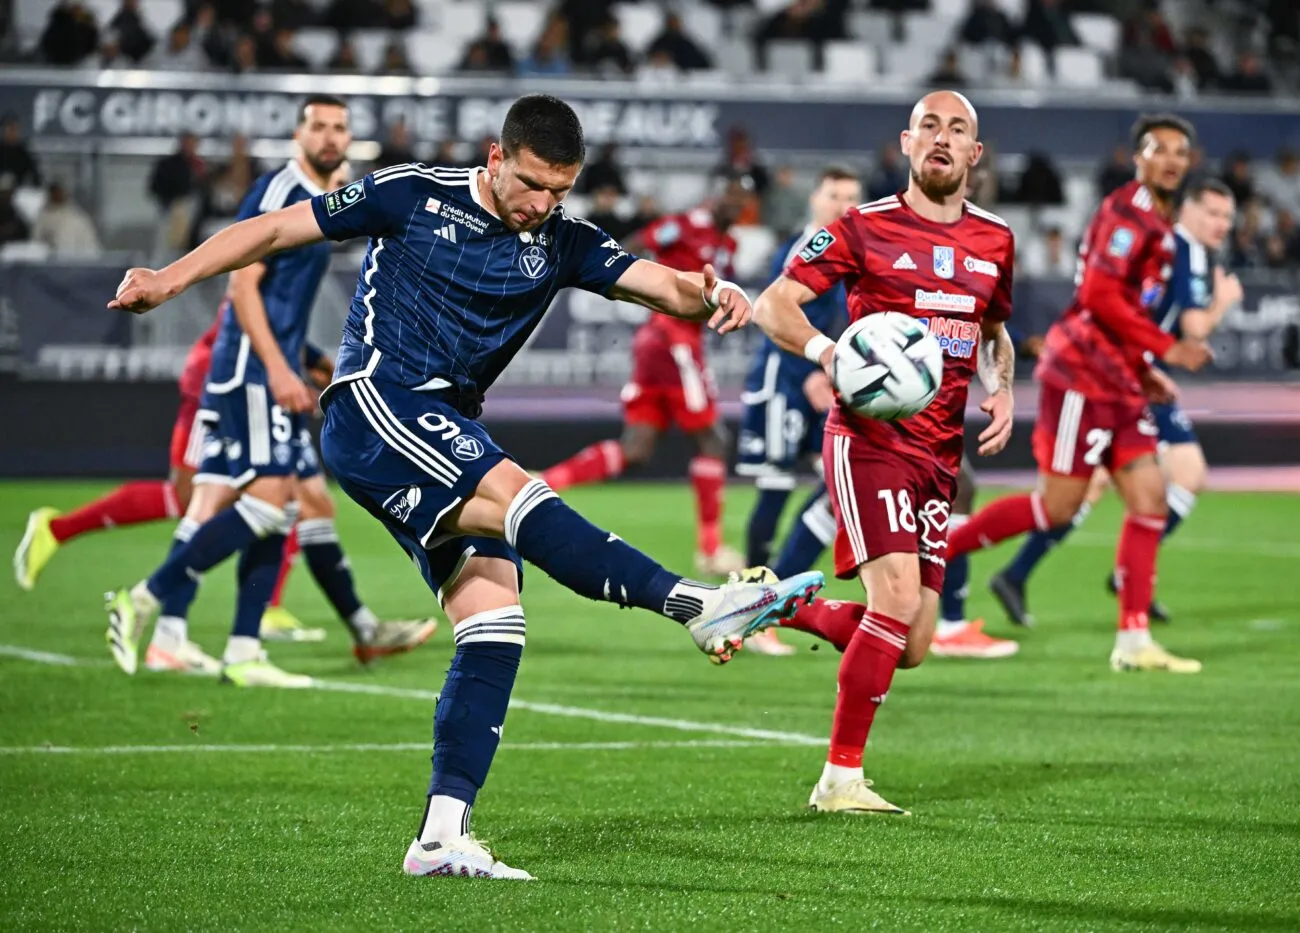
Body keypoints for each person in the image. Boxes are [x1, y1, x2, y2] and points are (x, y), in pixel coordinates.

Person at [103, 93, 825, 879]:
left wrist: (711, 292)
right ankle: (697, 604)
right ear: (495, 158)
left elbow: (658, 283)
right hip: (379, 401)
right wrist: (170, 278)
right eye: (530, 184)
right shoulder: (412, 191)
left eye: (560, 190)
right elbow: (277, 229)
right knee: (518, 493)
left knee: (494, 617)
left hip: (444, 426)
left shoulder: (562, 240)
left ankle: (440, 834)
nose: (542, 204)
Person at [101, 95, 436, 685]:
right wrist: (280, 369)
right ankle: (146, 598)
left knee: (274, 508)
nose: (331, 138)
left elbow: (281, 301)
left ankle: (241, 650)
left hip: (268, 365)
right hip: (251, 371)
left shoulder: (322, 201)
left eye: (340, 129)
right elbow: (243, 290)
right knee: (265, 501)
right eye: (320, 127)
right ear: (297, 135)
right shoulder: (282, 192)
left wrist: (307, 359)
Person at [751, 90, 1019, 815]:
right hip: (868, 439)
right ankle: (840, 779)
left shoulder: (996, 240)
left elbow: (994, 329)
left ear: (974, 154)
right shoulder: (861, 227)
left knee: (912, 640)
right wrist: (829, 352)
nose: (942, 137)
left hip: (939, 455)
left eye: (957, 128)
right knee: (895, 601)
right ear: (906, 143)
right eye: (928, 125)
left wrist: (1004, 389)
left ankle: (775, 601)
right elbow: (775, 303)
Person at [939, 113, 1213, 673]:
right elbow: (1100, 294)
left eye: (1180, 152)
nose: (1170, 160)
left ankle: (1134, 643)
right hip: (1081, 378)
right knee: (1056, 506)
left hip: (1119, 381)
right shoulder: (1126, 213)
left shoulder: (1159, 222)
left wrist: (1143, 368)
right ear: (1137, 158)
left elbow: (1122, 309)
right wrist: (1166, 346)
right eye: (1158, 149)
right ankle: (933, 553)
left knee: (1150, 500)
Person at [988, 178, 1241, 627]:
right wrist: (1222, 305)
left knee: (1099, 485)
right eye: (1213, 213)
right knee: (1180, 474)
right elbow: (1193, 327)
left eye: (1227, 216)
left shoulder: (1177, 247)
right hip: (1117, 377)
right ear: (1188, 210)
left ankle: (1020, 573)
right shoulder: (1181, 248)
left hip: (1129, 373)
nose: (1221, 223)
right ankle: (1122, 579)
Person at [541, 182, 749, 576]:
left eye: (743, 202)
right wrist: (638, 288)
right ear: (716, 195)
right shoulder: (683, 225)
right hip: (672, 340)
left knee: (637, 448)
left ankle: (543, 483)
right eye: (731, 198)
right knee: (714, 439)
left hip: (663, 344)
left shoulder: (729, 244)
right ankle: (710, 550)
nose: (736, 207)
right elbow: (631, 244)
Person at [737, 166, 863, 656]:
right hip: (783, 383)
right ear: (816, 198)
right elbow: (776, 315)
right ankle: (750, 610)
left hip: (819, 381)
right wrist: (809, 372)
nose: (843, 205)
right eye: (834, 195)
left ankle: (780, 593)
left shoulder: (848, 251)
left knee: (835, 480)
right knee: (774, 487)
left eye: (852, 197)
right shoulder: (804, 249)